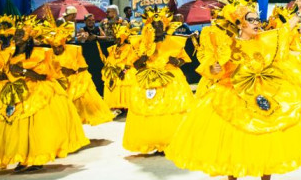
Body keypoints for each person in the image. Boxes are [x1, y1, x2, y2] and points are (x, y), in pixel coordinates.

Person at [166, 0, 301, 180]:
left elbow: (284, 31)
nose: (257, 23)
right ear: (239, 24)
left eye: (257, 20)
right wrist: (214, 68)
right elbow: (214, 69)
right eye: (251, 20)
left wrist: (299, 12)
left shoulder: (263, 40)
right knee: (232, 141)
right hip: (232, 96)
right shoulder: (228, 44)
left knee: (267, 139)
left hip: (263, 94)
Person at [0, 17, 88, 172]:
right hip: (16, 93)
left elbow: (42, 76)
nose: (16, 37)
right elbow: (9, 73)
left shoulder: (39, 53)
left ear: (28, 38)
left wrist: (23, 71)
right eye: (16, 34)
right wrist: (4, 75)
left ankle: (37, 158)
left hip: (36, 92)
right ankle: (22, 157)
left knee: (34, 127)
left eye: (20, 34)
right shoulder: (10, 53)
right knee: (17, 126)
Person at [122, 8, 194, 154]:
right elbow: (135, 65)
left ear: (165, 25)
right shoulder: (139, 43)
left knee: (172, 109)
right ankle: (152, 141)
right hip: (147, 81)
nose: (157, 28)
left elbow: (183, 60)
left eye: (160, 24)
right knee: (149, 111)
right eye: (154, 25)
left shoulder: (175, 42)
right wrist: (144, 56)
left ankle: (172, 140)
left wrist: (177, 61)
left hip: (171, 81)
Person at [44, 22, 113, 126]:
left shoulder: (74, 50)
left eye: (59, 47)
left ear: (64, 45)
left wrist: (72, 71)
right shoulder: (48, 54)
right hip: (58, 81)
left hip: (76, 78)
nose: (57, 50)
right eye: (54, 47)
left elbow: (84, 67)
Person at [100, 23, 137, 114]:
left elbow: (131, 62)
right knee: (109, 78)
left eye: (118, 38)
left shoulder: (129, 48)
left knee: (125, 79)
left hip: (126, 69)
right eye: (115, 38)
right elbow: (110, 60)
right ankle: (115, 105)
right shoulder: (112, 48)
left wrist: (123, 71)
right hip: (113, 69)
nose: (115, 40)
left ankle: (126, 106)